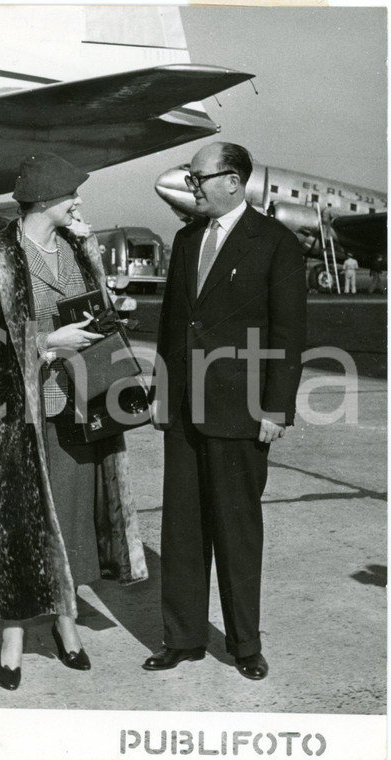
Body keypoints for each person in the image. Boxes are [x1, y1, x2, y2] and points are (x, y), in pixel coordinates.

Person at [0, 153, 148, 690]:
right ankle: (12, 640)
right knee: (21, 530)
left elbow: (92, 310)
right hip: (22, 419)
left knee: (73, 521)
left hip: (83, 407)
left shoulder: (76, 249)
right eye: (71, 195)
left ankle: (67, 626)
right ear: (44, 199)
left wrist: (111, 314)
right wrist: (46, 344)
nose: (79, 202)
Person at [143, 142, 306, 679]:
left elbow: (288, 334)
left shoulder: (276, 243)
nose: (192, 187)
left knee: (237, 532)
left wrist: (276, 408)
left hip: (241, 413)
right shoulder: (187, 239)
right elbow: (173, 327)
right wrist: (163, 397)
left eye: (198, 178)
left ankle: (244, 646)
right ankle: (183, 638)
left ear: (233, 181)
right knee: (182, 531)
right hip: (185, 410)